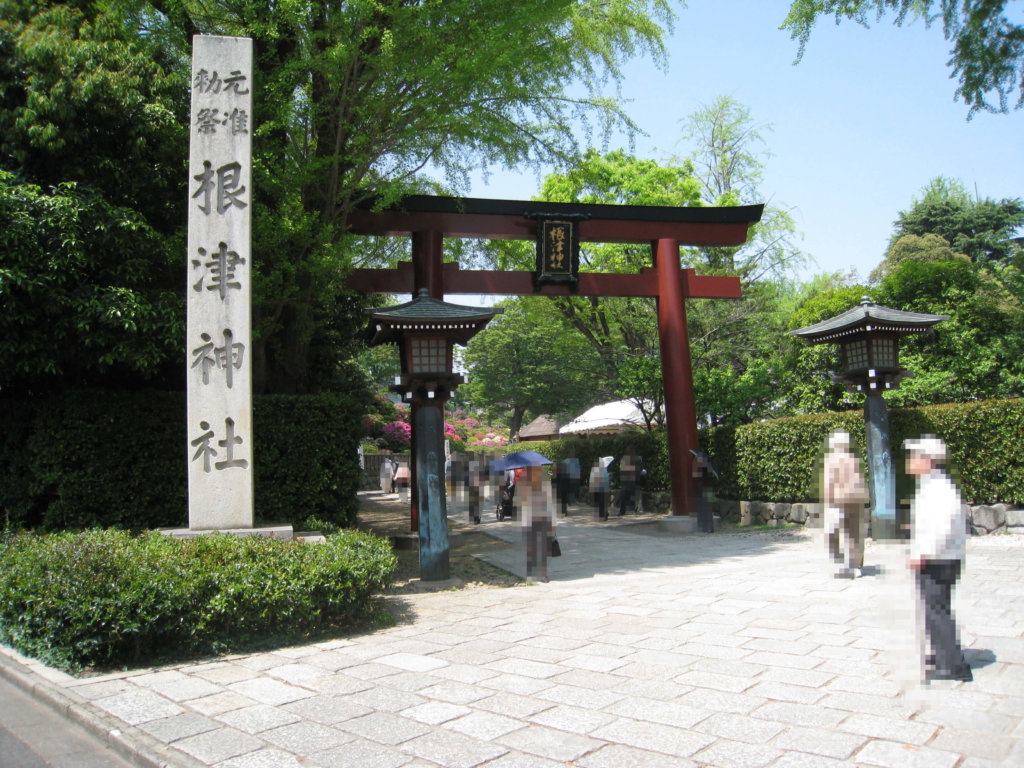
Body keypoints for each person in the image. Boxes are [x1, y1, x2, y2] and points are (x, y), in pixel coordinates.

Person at [906, 435, 972, 683]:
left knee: (937, 609)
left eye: (915, 457)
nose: (910, 461)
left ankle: (953, 666)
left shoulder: (938, 488)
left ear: (928, 460)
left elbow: (943, 526)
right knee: (934, 608)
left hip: (940, 558)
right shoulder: (932, 484)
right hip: (940, 556)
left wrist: (924, 553)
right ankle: (944, 653)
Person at [822, 430, 869, 578]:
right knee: (855, 534)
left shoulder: (831, 460)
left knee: (833, 533)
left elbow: (828, 483)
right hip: (856, 501)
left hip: (838, 501)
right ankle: (857, 566)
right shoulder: (853, 459)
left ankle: (840, 561)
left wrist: (827, 502)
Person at [521, 465, 555, 582]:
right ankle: (533, 572)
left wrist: (553, 522)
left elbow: (550, 503)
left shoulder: (545, 484)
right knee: (532, 546)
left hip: (543, 518)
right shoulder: (525, 484)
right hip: (531, 518)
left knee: (541, 548)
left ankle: (541, 573)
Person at [617, 449, 639, 516]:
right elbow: (622, 469)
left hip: (632, 480)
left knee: (633, 494)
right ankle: (622, 511)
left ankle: (636, 509)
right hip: (626, 480)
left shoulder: (635, 460)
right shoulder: (624, 460)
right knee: (623, 496)